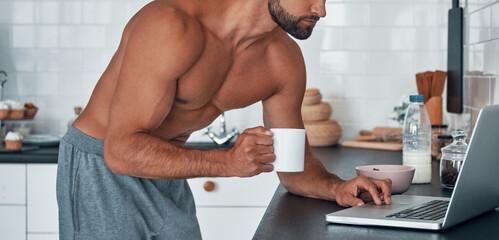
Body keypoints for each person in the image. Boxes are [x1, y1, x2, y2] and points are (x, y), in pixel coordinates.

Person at [56, 0, 392, 239]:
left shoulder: (282, 60)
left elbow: (295, 166)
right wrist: (227, 162)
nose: (321, 9)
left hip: (165, 169)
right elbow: (120, 151)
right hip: (100, 166)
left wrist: (337, 187)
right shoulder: (171, 26)